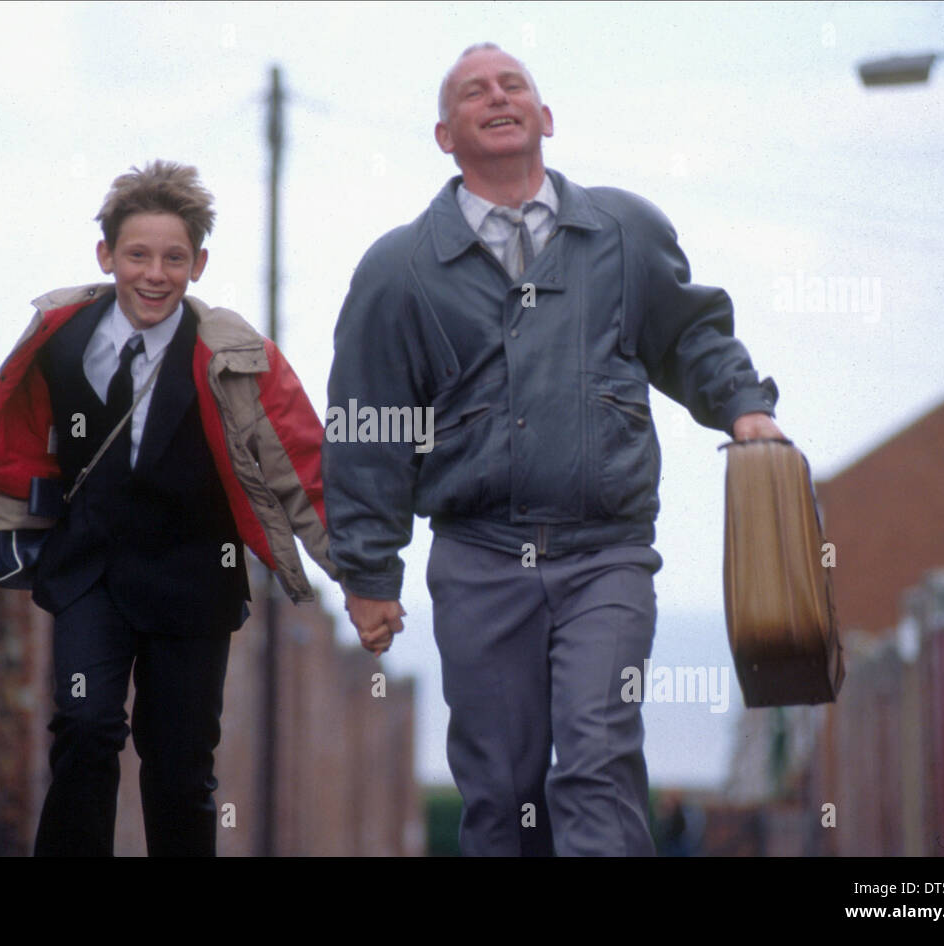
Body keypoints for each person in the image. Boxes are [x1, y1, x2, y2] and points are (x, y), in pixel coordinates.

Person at [324, 43, 784, 856]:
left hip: (605, 553)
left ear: (545, 117)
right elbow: (369, 424)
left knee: (598, 755)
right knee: (502, 790)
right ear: (444, 134)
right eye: (474, 92)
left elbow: (692, 337)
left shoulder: (623, 232)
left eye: (514, 85)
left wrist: (744, 409)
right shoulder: (400, 270)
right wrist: (367, 572)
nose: (497, 97)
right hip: (478, 559)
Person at [0, 160, 335, 856]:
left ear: (198, 263)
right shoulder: (60, 337)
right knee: (85, 728)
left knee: (181, 771)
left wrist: (363, 575)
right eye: (138, 255)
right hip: (88, 575)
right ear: (107, 255)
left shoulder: (229, 352)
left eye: (174, 258)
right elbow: (25, 449)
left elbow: (299, 464)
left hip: (194, 582)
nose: (154, 274)